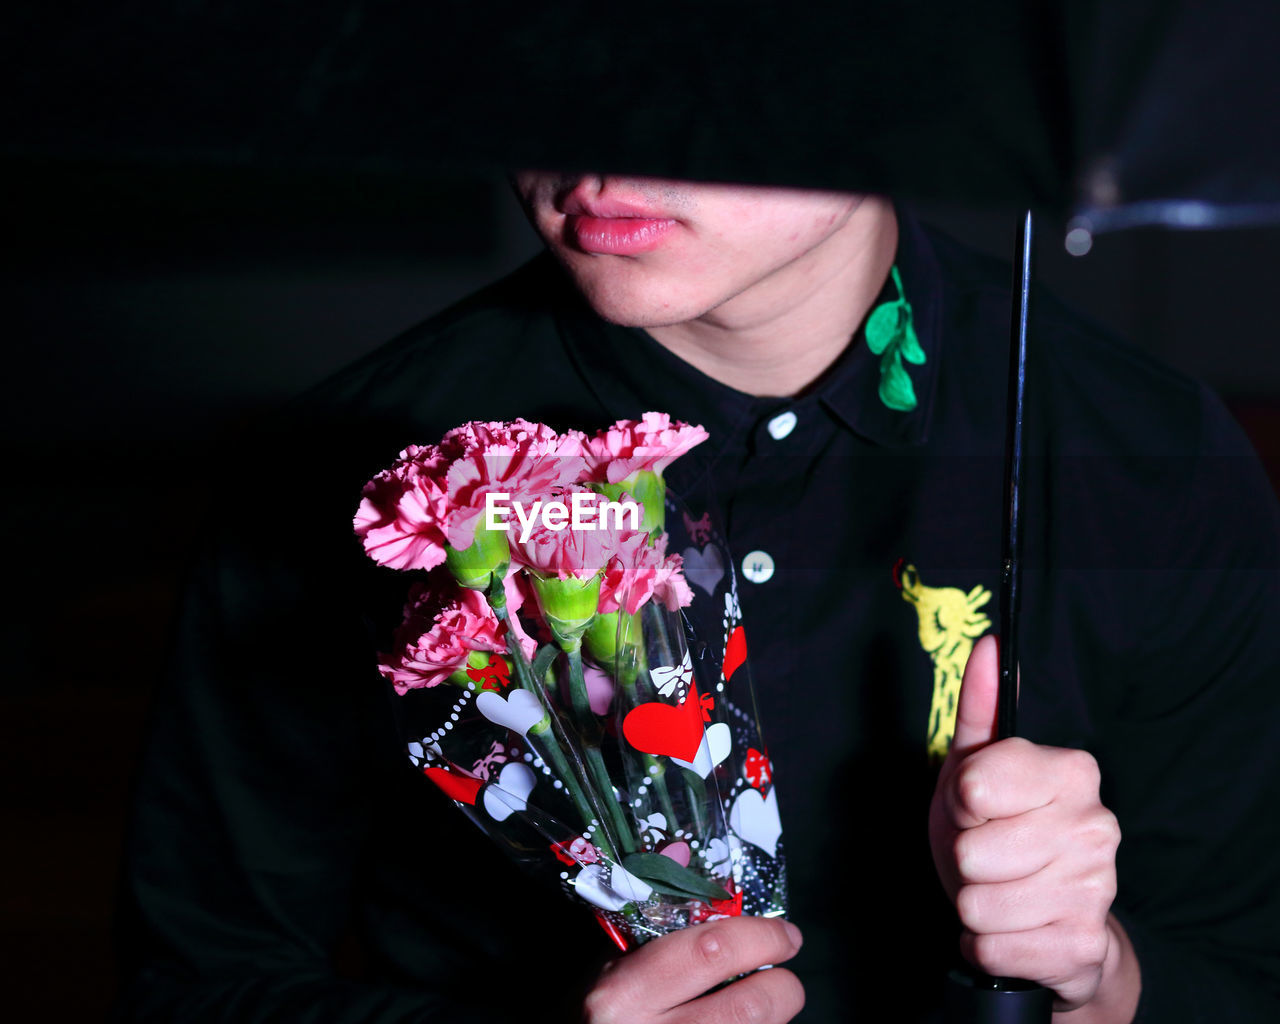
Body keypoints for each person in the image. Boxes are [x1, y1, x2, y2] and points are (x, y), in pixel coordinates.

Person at [113, 175, 1280, 1022]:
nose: (598, 162)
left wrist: (1100, 978)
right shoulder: (354, 479)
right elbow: (194, 979)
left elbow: (1242, 969)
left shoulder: (1138, 454)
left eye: (704, 80)